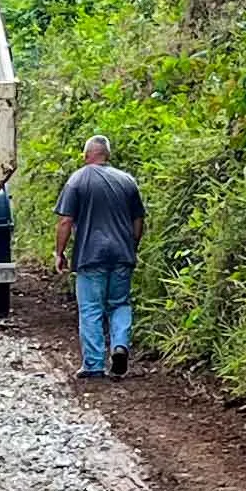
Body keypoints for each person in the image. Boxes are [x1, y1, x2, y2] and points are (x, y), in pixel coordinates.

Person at [54, 133, 146, 380]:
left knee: (91, 309)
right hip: (122, 255)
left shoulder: (77, 180)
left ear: (87, 155)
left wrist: (59, 252)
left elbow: (65, 221)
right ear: (107, 154)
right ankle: (119, 346)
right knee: (119, 303)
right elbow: (138, 220)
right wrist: (131, 246)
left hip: (90, 255)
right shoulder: (127, 181)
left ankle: (94, 364)